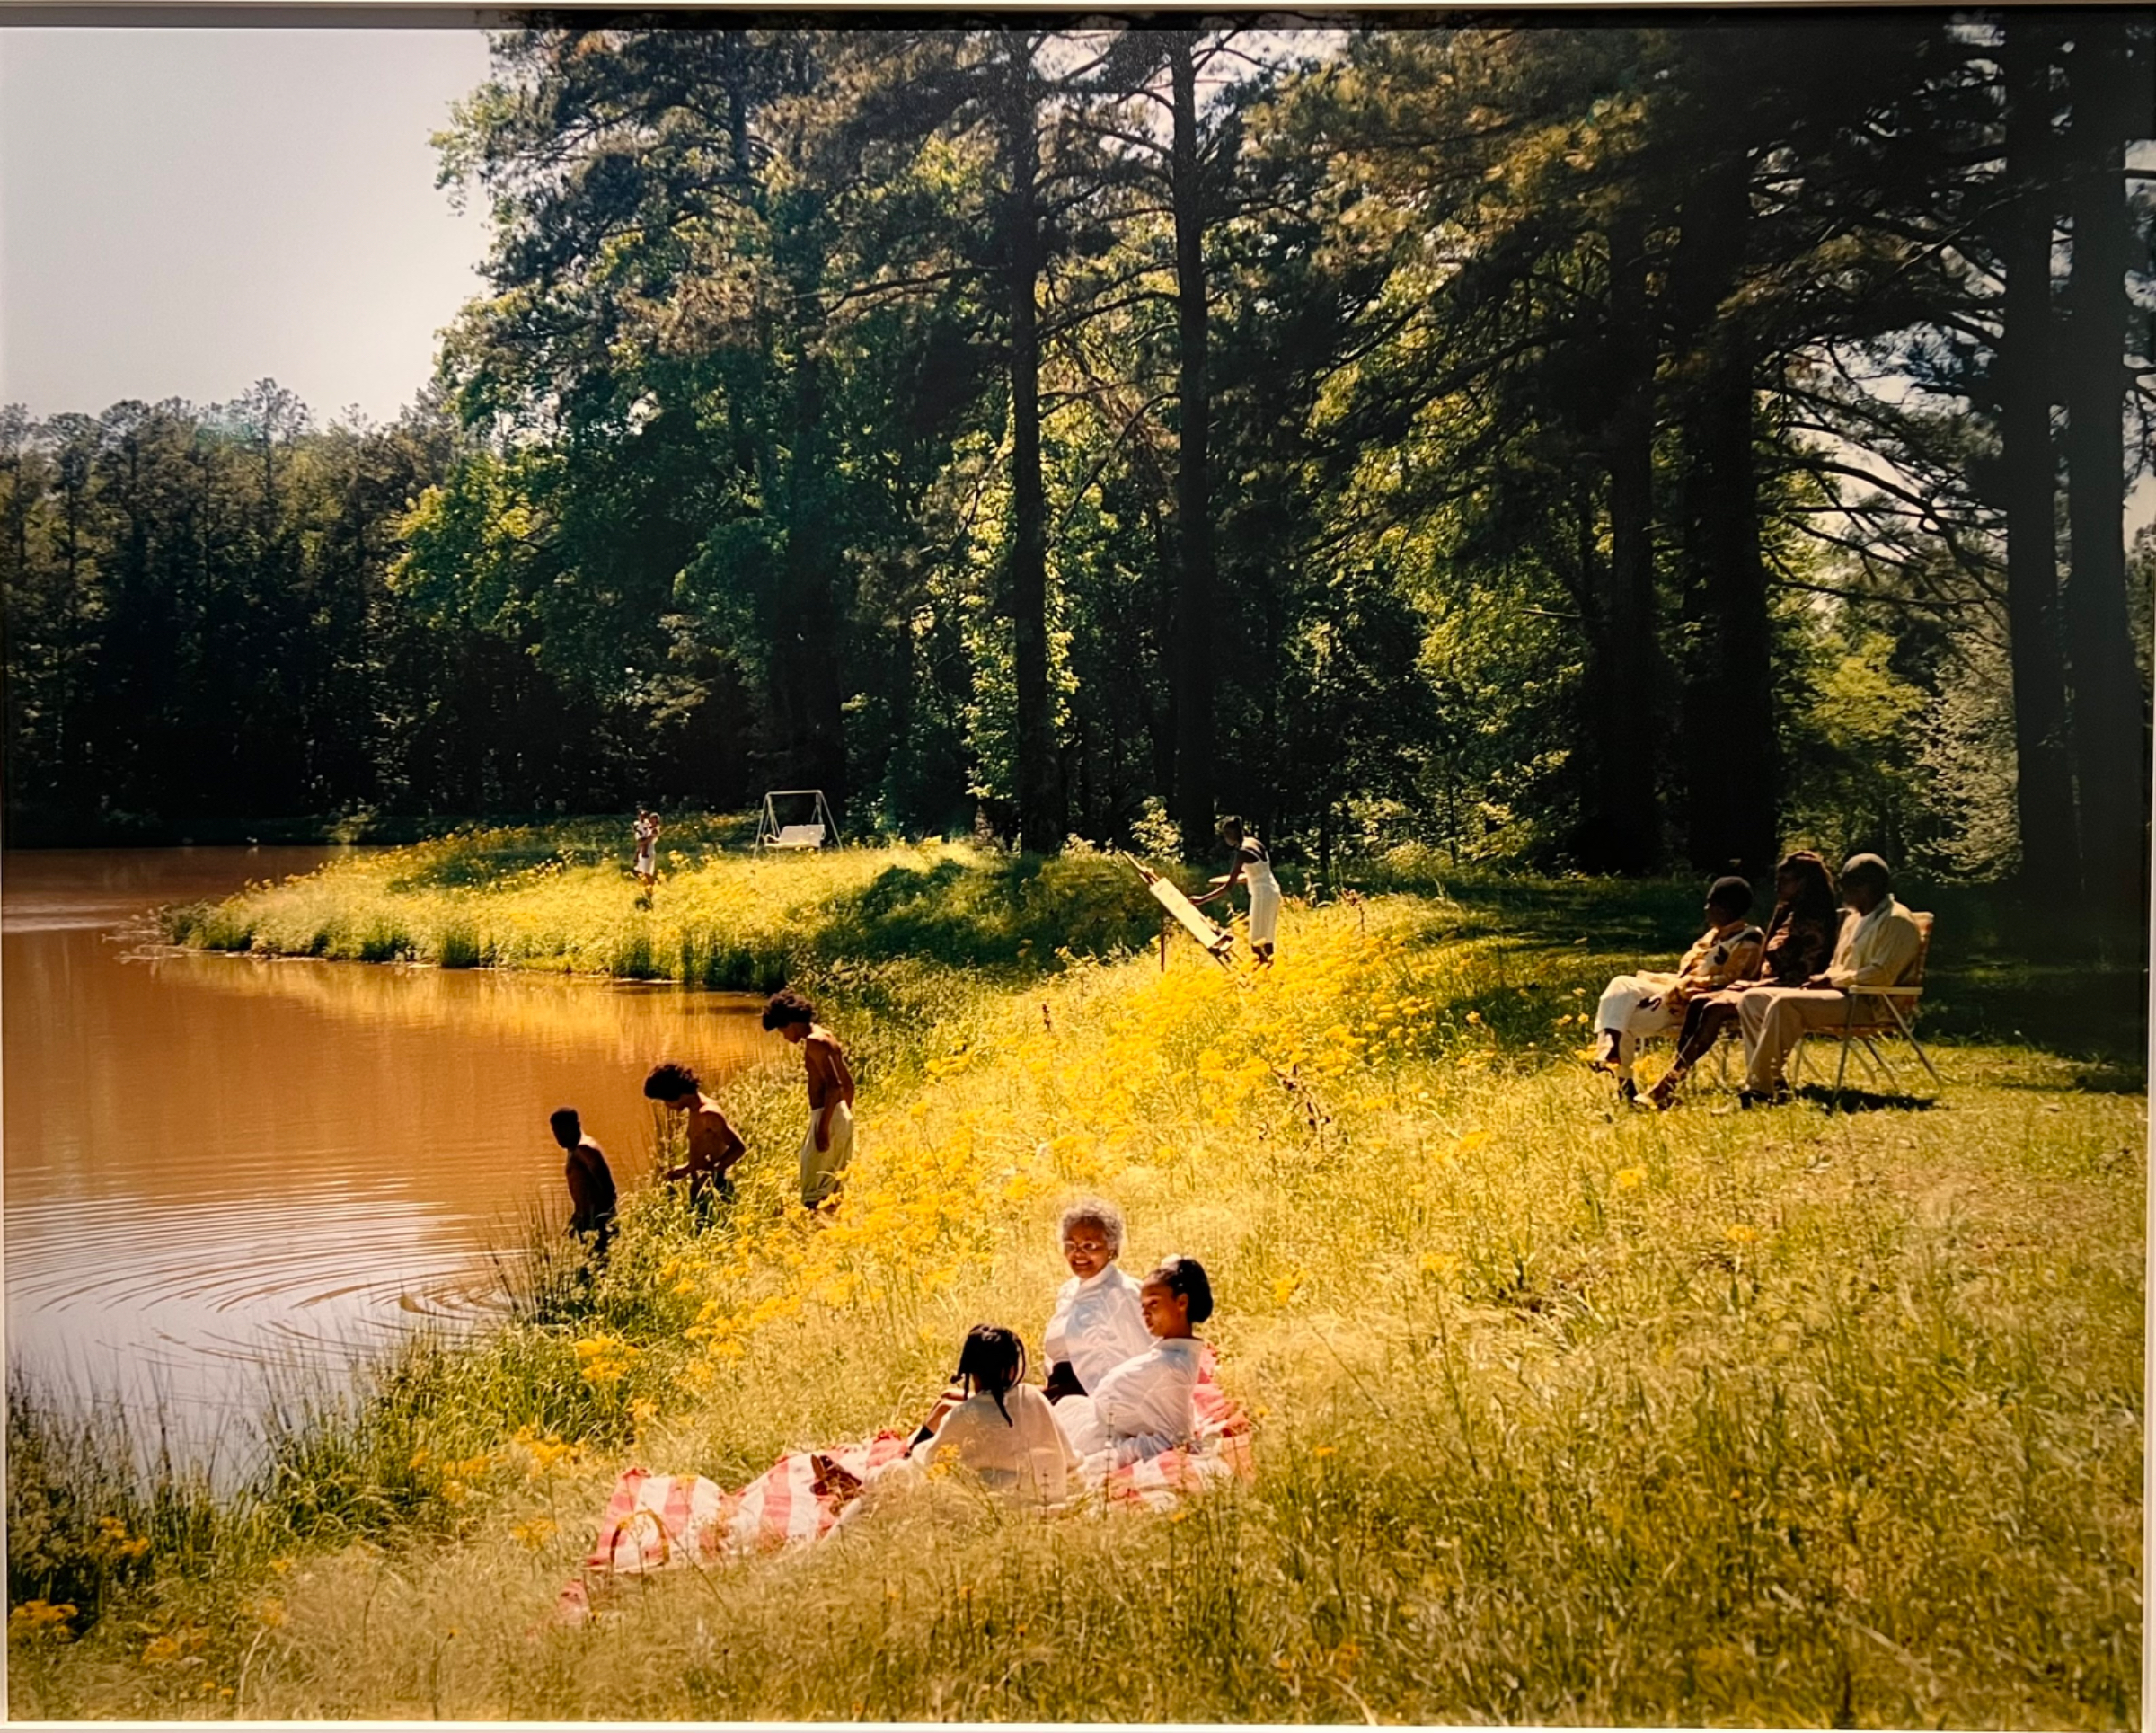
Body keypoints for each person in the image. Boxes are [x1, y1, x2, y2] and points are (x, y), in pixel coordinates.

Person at [1646, 852, 1840, 1110]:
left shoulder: (1814, 920)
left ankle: (1669, 1083)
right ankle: (1675, 1077)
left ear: (1803, 883)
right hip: (1770, 985)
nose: (1778, 887)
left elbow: (1801, 971)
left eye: (1785, 881)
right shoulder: (1787, 914)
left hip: (1794, 990)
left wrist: (1756, 984)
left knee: (1714, 1008)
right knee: (1699, 1001)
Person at [1735, 852, 1926, 1106]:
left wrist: (1833, 981)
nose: (1842, 891)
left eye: (1847, 885)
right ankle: (1772, 1079)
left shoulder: (1896, 921)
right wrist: (1824, 978)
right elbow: (1838, 965)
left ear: (1866, 887)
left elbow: (1882, 974)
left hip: (1871, 1003)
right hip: (1841, 995)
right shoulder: (1853, 919)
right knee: (1752, 1000)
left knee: (1784, 1003)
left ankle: (1759, 1088)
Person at [1590, 877, 1764, 1102]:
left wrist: (1687, 986)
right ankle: (1610, 1046)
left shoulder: (1749, 939)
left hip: (1694, 1004)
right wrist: (1675, 985)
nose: (1706, 909)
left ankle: (1623, 1081)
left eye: (1711, 903)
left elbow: (1732, 980)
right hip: (1674, 990)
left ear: (1727, 907)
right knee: (1621, 982)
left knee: (1622, 1019)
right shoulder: (1713, 935)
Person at [1053, 1255, 1211, 1468]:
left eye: (1153, 1304)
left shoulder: (1173, 1368)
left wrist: (1097, 1463)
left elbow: (1174, 1440)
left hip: (1099, 1441)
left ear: (1181, 1303)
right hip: (1089, 1422)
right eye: (1142, 1305)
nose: (1145, 1313)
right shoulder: (1167, 1355)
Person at [907, 1324, 1080, 1508]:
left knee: (904, 1470)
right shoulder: (1033, 1397)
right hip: (1049, 1495)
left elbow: (930, 1465)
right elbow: (1067, 1456)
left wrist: (913, 1453)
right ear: (1013, 1368)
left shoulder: (964, 1415)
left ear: (972, 1372)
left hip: (1001, 1506)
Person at [1040, 1199, 1152, 1403]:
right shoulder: (1068, 1292)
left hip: (1101, 1402)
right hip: (1060, 1396)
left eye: (1089, 1246)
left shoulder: (1125, 1293)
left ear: (1112, 1248)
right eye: (1070, 1245)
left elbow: (1146, 1358)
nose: (1078, 1254)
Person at [763, 989, 856, 1210]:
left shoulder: (814, 1042)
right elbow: (848, 1084)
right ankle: (832, 1229)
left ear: (790, 1022)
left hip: (827, 1115)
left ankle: (818, 1229)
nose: (785, 1037)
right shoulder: (826, 1035)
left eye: (783, 1030)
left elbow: (834, 1086)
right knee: (831, 1187)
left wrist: (824, 1128)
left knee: (814, 1193)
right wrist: (843, 1119)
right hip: (839, 1114)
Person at [642, 1062, 746, 1214]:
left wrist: (712, 1172)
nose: (667, 1106)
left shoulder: (708, 1114)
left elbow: (738, 1148)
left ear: (676, 1093)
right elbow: (707, 1147)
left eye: (666, 1100)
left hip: (714, 1188)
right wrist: (688, 1168)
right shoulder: (695, 1110)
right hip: (704, 1186)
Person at [1194, 817, 1282, 965]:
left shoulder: (1242, 852)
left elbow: (1229, 887)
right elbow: (1257, 873)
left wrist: (1202, 899)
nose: (1226, 838)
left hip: (1262, 895)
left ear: (1234, 833)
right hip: (1272, 891)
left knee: (1256, 942)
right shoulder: (1255, 842)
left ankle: (1263, 972)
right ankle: (1271, 970)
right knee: (1267, 939)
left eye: (1227, 833)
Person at [551, 1106, 617, 1261]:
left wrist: (601, 1220)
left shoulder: (584, 1149)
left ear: (576, 1126)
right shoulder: (574, 1149)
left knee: (600, 1265)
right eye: (555, 1131)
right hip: (588, 1220)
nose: (558, 1136)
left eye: (562, 1131)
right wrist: (576, 1217)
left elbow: (607, 1187)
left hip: (596, 1222)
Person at [632, 809, 660, 892]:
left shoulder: (655, 830)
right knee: (642, 872)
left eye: (654, 819)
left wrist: (640, 843)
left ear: (657, 820)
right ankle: (645, 888)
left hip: (649, 852)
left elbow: (648, 840)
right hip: (642, 851)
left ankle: (651, 888)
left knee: (647, 872)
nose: (651, 820)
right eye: (651, 818)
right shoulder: (647, 827)